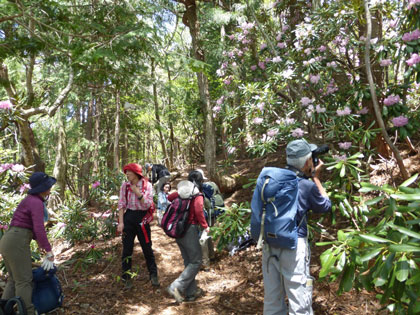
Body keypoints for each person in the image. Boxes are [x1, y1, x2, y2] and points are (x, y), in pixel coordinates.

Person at [262, 139, 332, 315]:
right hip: (294, 246)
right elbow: (325, 205)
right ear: (308, 161)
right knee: (299, 299)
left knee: (272, 299)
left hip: (269, 243)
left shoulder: (271, 181)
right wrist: (315, 177)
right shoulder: (306, 186)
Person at [0, 172, 56, 315]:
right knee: (24, 281)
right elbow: (39, 228)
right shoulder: (36, 202)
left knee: (14, 279)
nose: (50, 187)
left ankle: (4, 310)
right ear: (42, 187)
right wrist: (48, 251)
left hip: (8, 240)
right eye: (48, 185)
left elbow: (35, 230)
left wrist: (42, 246)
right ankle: (27, 312)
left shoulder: (31, 200)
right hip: (17, 240)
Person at [166, 170, 210, 303]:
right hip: (189, 230)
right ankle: (176, 286)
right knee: (196, 261)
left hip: (178, 230)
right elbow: (198, 210)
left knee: (188, 261)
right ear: (200, 181)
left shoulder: (183, 192)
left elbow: (169, 198)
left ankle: (191, 293)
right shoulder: (197, 195)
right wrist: (205, 226)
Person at [117, 163, 159, 289]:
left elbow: (147, 205)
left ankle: (153, 275)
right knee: (127, 249)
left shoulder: (147, 185)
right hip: (129, 217)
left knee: (147, 248)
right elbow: (121, 204)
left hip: (142, 218)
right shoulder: (125, 186)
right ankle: (126, 277)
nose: (127, 174)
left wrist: (138, 193)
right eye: (126, 172)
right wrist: (121, 222)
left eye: (129, 172)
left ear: (136, 173)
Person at [196, 169, 224, 270]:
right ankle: (212, 255)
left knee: (202, 239)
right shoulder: (211, 185)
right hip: (213, 215)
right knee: (208, 236)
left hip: (206, 216)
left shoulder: (200, 190)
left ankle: (205, 263)